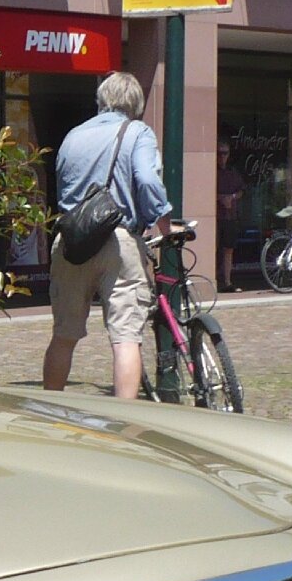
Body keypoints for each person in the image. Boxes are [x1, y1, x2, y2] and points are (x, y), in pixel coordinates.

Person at [43, 71, 173, 400]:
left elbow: (62, 188)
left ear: (101, 100)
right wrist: (162, 220)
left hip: (72, 241)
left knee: (63, 335)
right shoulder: (137, 132)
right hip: (119, 241)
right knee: (125, 336)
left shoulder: (73, 135)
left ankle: (49, 406)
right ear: (136, 105)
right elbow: (145, 179)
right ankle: (124, 421)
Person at [214, 138, 247, 291]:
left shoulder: (233, 172)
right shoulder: (212, 171)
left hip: (230, 215)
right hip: (215, 216)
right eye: (219, 153)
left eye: (225, 153)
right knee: (215, 247)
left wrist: (232, 197)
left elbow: (241, 190)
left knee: (228, 248)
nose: (222, 157)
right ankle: (214, 279)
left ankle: (227, 281)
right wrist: (220, 198)